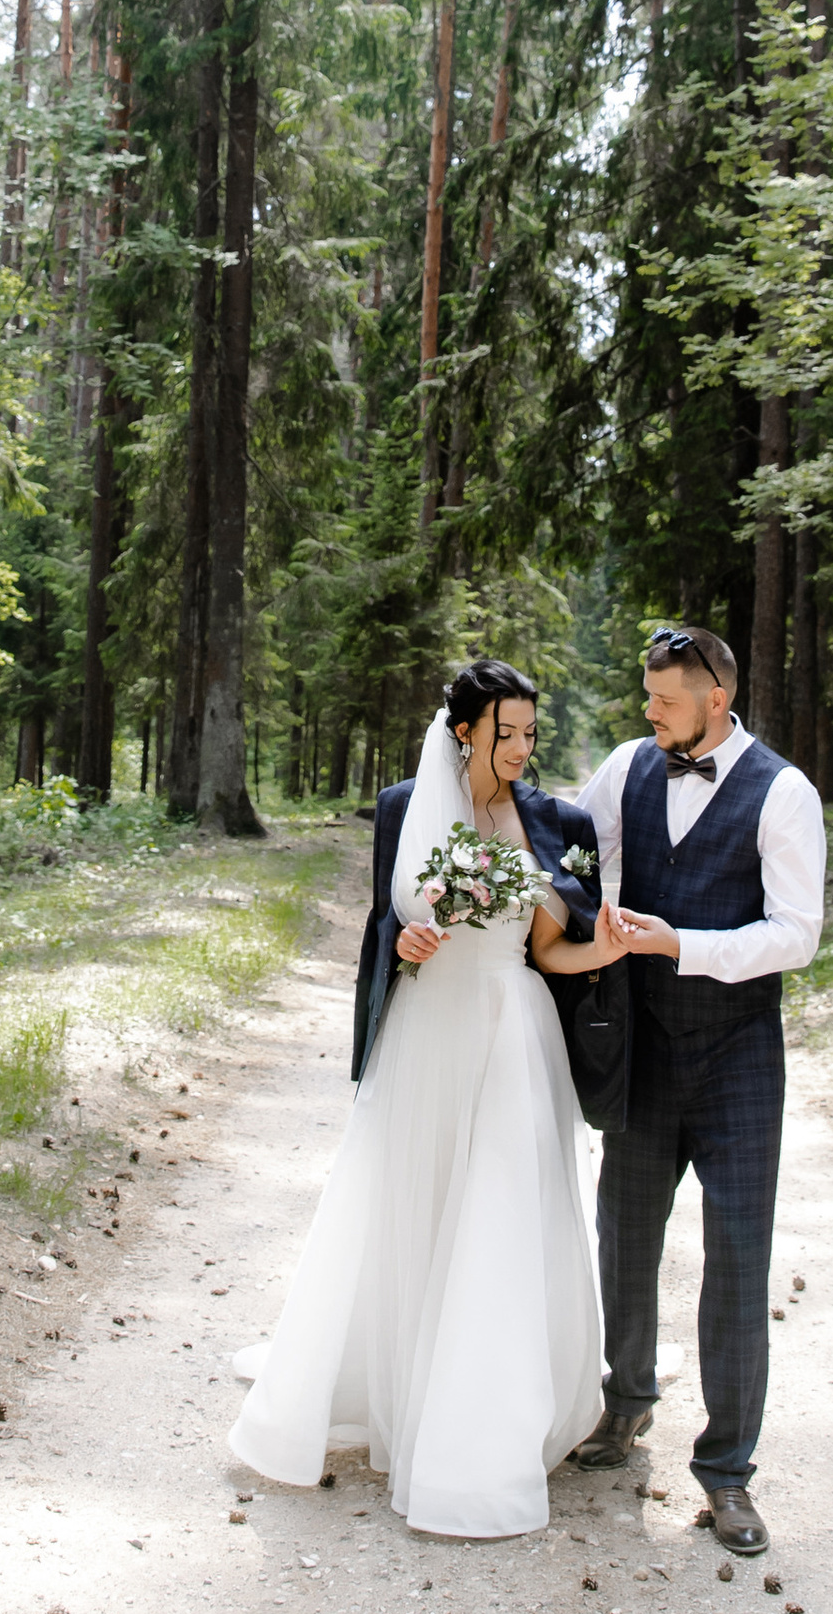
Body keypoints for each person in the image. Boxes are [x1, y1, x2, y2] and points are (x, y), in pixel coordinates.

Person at [228, 657, 606, 1538]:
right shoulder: (406, 808)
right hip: (430, 1029)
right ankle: (403, 1393)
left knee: (507, 1210)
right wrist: (408, 945)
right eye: (505, 731)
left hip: (514, 1031)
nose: (520, 748)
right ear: (465, 729)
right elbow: (384, 923)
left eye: (530, 733)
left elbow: (559, 941)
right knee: (418, 1200)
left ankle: (490, 1421)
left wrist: (601, 938)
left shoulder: (556, 821)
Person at [566, 624, 826, 1557]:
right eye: (647, 698)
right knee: (625, 1236)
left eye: (665, 700)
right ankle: (625, 1405)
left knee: (737, 1260)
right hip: (642, 1046)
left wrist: (684, 944)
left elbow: (796, 933)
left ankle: (727, 1476)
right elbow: (568, 837)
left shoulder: (783, 793)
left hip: (738, 1056)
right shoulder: (631, 763)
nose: (648, 712)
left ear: (716, 699)